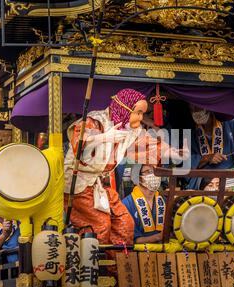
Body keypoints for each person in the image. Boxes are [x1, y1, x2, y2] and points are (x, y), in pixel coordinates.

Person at [64, 88, 187, 245]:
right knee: (100, 226)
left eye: (143, 113)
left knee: (125, 223)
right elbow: (78, 141)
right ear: (125, 108)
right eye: (138, 113)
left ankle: (117, 265)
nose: (141, 118)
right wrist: (104, 137)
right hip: (78, 184)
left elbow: (147, 144)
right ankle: (96, 267)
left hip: (99, 184)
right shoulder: (96, 120)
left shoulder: (131, 129)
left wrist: (172, 151)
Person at [187, 105, 234, 190]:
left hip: (229, 179)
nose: (195, 110)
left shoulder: (229, 124)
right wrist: (205, 158)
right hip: (205, 181)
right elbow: (183, 160)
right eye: (192, 108)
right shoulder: (189, 131)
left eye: (198, 106)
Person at [122, 164, 165, 244]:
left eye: (154, 171)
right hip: (139, 253)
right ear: (138, 178)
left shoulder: (164, 200)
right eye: (147, 172)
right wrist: (159, 237)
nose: (153, 175)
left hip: (166, 251)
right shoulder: (126, 204)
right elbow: (131, 239)